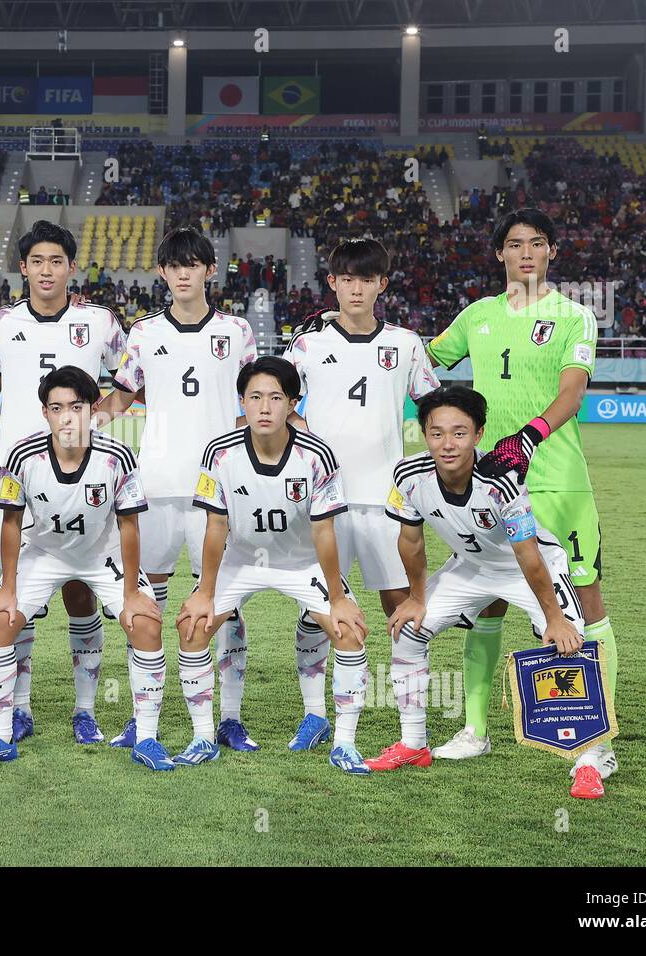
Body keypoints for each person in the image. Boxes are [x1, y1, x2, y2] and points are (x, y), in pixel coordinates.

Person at [427, 209, 618, 793]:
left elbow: (573, 391)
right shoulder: (477, 316)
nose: (526, 253)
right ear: (500, 255)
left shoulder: (572, 314)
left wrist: (528, 436)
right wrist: (346, 321)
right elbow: (420, 362)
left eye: (537, 243)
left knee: (582, 606)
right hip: (490, 484)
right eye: (515, 244)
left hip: (557, 481)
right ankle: (475, 729)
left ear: (552, 252)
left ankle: (596, 747)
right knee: (489, 600)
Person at [376, 385, 611, 798]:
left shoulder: (502, 480)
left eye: (459, 433)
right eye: (437, 433)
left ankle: (594, 758)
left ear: (478, 434)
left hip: (531, 566)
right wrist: (415, 597)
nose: (448, 444)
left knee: (570, 643)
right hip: (472, 567)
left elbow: (528, 556)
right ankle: (413, 744)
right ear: (424, 434)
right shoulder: (407, 477)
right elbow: (410, 542)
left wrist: (554, 620)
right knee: (409, 629)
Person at [0, 220, 126, 745]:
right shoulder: (2, 323)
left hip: (85, 480)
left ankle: (85, 709)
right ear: (23, 268)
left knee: (80, 591)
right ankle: (21, 709)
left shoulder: (100, 322)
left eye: (57, 260)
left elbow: (130, 381)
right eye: (37, 261)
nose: (47, 270)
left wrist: (97, 423)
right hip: (18, 483)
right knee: (19, 597)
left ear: (71, 267)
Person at [95, 226, 258, 751]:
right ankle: (144, 718)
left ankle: (228, 718)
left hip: (219, 490)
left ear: (211, 270)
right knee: (148, 603)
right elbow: (117, 402)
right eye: (175, 265)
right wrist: (71, 427)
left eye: (195, 264)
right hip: (157, 485)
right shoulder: (143, 334)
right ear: (163, 273)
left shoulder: (237, 332)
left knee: (224, 603)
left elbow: (258, 405)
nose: (185, 273)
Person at [0, 367, 167, 770]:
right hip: (45, 552)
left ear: (92, 410)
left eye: (76, 407)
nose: (67, 417)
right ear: (45, 413)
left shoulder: (118, 456)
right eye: (57, 408)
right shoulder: (22, 455)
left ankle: (146, 736)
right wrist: (8, 587)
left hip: (99, 553)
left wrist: (131, 592)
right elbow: (11, 522)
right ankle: (1, 736)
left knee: (145, 621)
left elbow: (129, 526)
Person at [281, 238, 439, 753]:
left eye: (365, 279)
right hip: (323, 501)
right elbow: (273, 393)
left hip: (387, 500)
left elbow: (434, 409)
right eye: (346, 278)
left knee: (402, 609)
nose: (355, 287)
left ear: (381, 284)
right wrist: (304, 431)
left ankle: (410, 730)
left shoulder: (407, 343)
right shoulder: (307, 345)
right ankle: (314, 714)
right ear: (333, 283)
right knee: (316, 607)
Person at [176, 357, 368, 770]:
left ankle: (344, 742)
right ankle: (204, 737)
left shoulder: (317, 455)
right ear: (241, 402)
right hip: (241, 560)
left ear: (293, 404)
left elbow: (323, 532)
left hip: (300, 562)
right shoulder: (220, 452)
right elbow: (216, 525)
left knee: (348, 629)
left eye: (276, 398)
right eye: (255, 397)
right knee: (193, 626)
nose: (264, 408)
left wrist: (338, 597)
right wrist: (205, 593)